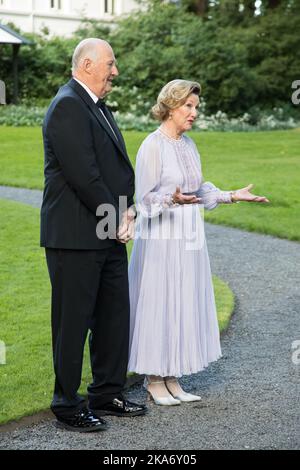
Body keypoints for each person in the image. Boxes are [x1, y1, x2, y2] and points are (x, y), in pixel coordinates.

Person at [128, 79, 269, 405]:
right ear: (170, 106)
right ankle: (153, 378)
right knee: (160, 304)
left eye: (196, 107)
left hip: (189, 240)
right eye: (188, 106)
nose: (194, 113)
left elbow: (199, 190)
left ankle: (173, 376)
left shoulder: (189, 145)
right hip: (162, 240)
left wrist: (233, 195)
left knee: (182, 302)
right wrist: (171, 200)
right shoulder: (152, 145)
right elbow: (144, 202)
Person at [41, 38, 146, 432]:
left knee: (113, 316)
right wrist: (118, 218)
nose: (115, 71)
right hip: (75, 235)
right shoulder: (68, 104)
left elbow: (114, 168)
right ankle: (67, 404)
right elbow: (84, 175)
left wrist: (129, 208)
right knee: (73, 322)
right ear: (86, 64)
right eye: (110, 64)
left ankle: (107, 392)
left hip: (107, 229)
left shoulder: (97, 106)